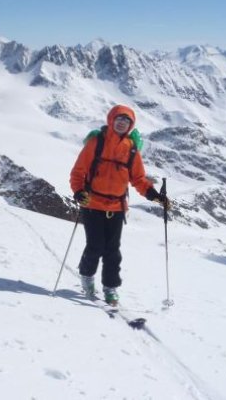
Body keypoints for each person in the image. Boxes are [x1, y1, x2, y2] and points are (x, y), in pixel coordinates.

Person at [69, 104, 170, 306]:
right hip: (93, 204)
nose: (122, 123)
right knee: (95, 246)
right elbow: (78, 171)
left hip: (116, 208)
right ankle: (87, 277)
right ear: (111, 120)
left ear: (131, 125)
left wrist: (155, 196)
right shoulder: (96, 143)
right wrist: (79, 192)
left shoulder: (132, 150)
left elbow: (139, 179)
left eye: (127, 121)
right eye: (119, 119)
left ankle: (110, 287)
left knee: (112, 251)